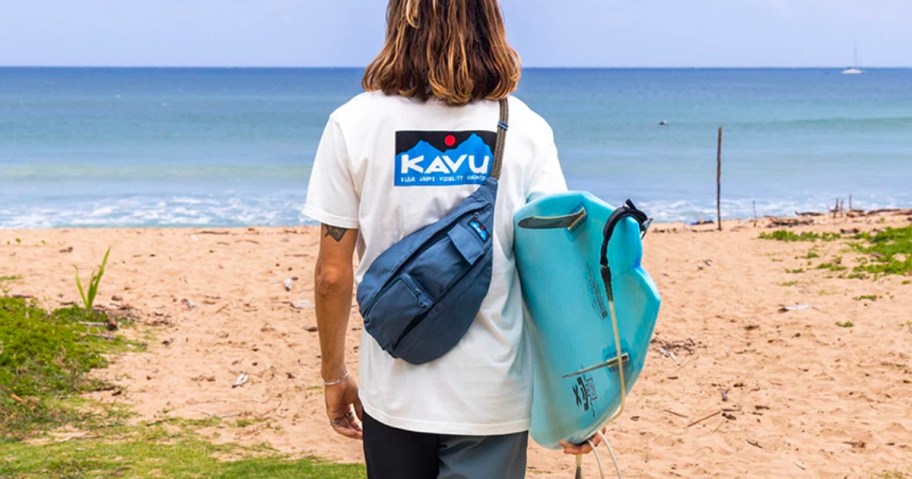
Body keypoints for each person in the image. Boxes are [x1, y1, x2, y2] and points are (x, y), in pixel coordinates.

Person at [303, 1, 601, 477]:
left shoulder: (353, 123)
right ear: (489, 24)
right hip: (492, 395)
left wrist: (334, 375)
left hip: (394, 392)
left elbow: (331, 275)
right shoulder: (525, 129)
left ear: (401, 22)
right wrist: (576, 396)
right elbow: (557, 276)